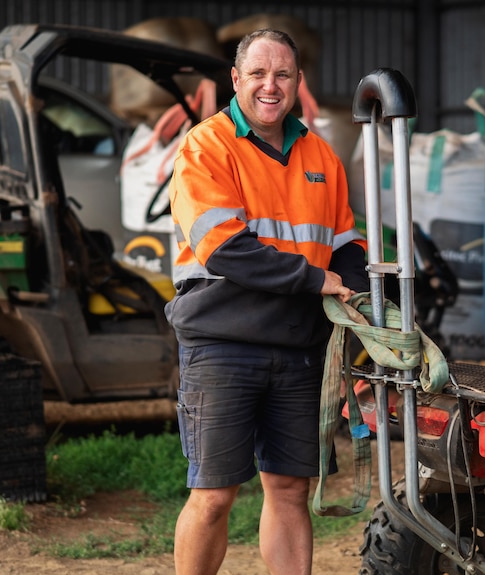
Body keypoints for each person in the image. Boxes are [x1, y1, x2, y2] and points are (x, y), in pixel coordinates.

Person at [164, 28, 368, 575]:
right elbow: (224, 248)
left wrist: (360, 295)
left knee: (288, 489)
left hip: (301, 348)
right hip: (223, 345)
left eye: (282, 74)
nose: (270, 86)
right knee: (213, 494)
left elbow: (346, 243)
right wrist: (315, 280)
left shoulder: (320, 153)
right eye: (257, 74)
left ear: (299, 83)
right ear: (236, 79)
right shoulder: (206, 146)